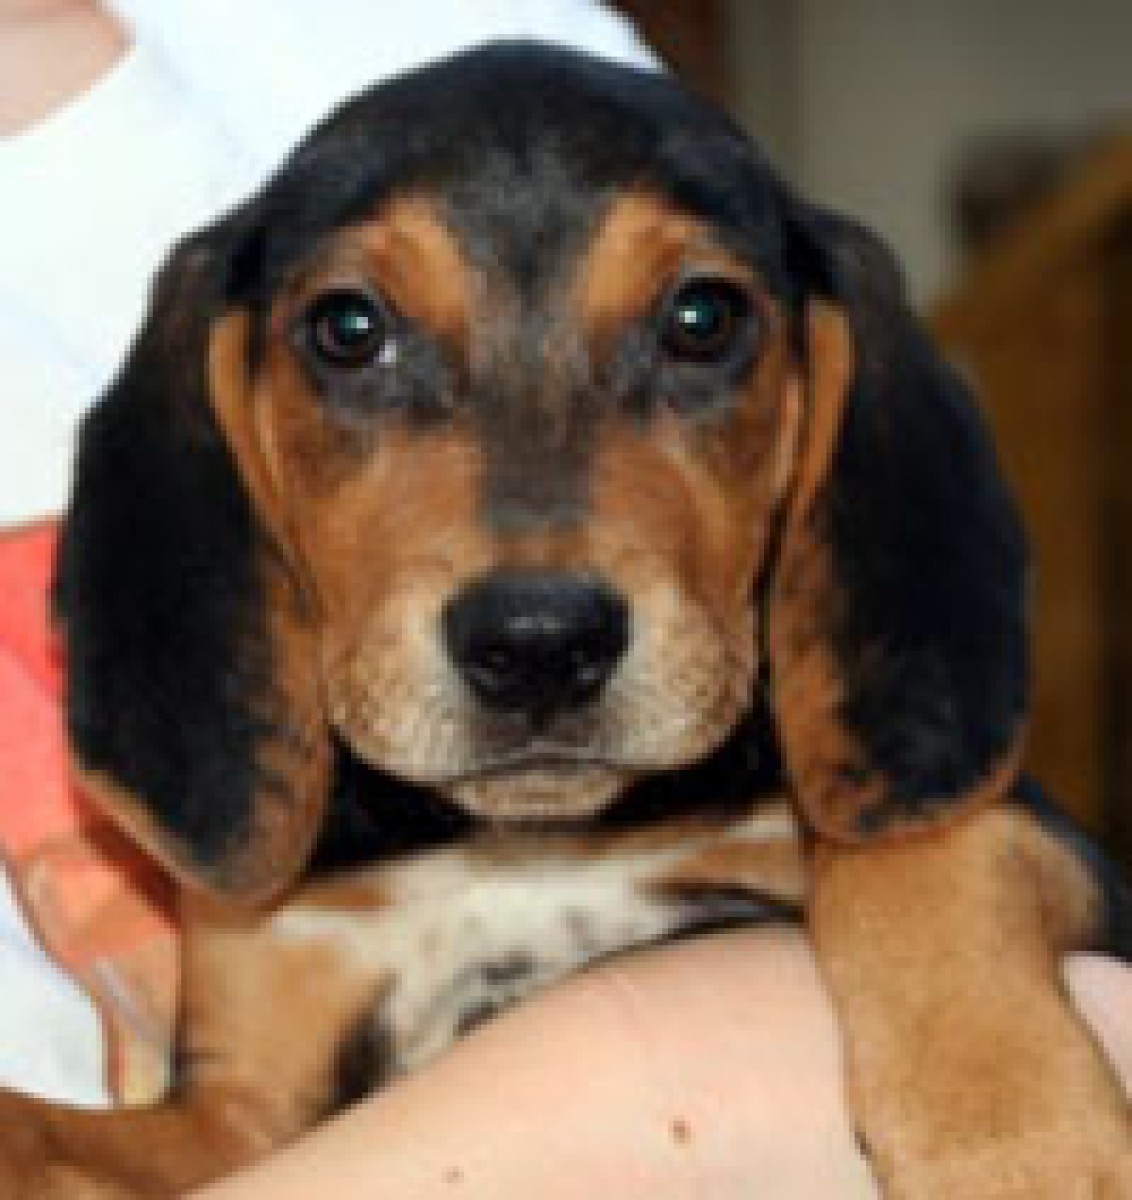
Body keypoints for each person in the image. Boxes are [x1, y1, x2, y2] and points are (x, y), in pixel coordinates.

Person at [2, 3, 1129, 1195]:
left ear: (818, 400)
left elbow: (1039, 903)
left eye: (696, 327)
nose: (534, 598)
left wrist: (928, 909)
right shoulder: (279, 861)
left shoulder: (394, 20)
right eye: (355, 334)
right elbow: (229, 1144)